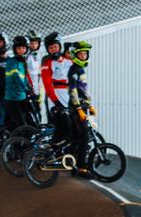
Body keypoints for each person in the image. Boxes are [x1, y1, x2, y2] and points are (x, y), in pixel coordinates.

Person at [67, 41, 96, 177]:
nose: (84, 56)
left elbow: (84, 90)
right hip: (76, 107)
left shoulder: (81, 69)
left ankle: (72, 165)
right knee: (84, 136)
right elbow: (73, 91)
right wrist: (79, 108)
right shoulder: (74, 70)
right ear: (75, 55)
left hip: (82, 106)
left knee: (75, 137)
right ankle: (82, 168)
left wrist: (89, 104)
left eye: (85, 53)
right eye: (81, 53)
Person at [41, 32, 72, 142]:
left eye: (55, 46)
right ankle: (50, 155)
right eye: (50, 47)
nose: (53, 49)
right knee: (64, 129)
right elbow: (48, 85)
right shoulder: (47, 63)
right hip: (55, 100)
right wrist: (56, 103)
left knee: (68, 129)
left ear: (60, 46)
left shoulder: (68, 60)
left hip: (69, 99)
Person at [3, 36, 35, 131]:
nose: (21, 50)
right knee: (22, 124)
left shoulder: (23, 61)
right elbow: (17, 78)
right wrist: (27, 90)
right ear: (15, 49)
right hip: (13, 98)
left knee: (30, 120)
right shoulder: (12, 62)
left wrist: (30, 89)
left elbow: (25, 78)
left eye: (24, 48)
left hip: (21, 96)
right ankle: (20, 144)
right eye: (19, 48)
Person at [26, 30, 43, 120]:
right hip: (31, 84)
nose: (34, 46)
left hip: (39, 83)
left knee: (40, 107)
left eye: (36, 43)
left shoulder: (40, 54)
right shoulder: (27, 56)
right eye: (31, 43)